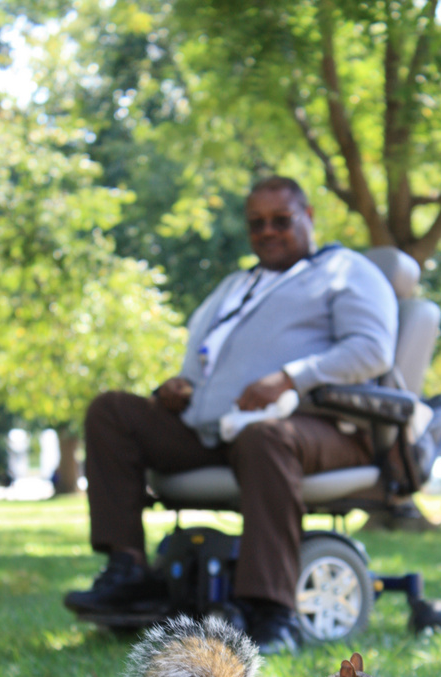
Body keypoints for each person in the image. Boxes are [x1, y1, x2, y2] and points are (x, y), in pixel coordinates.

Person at [64, 176, 398, 652]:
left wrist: (289, 377)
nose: (268, 231)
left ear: (310, 218)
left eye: (281, 220)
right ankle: (129, 572)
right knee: (112, 412)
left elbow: (372, 350)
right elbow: (201, 361)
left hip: (319, 427)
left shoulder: (347, 270)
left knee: (264, 437)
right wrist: (180, 388)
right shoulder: (236, 286)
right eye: (256, 223)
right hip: (217, 428)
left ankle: (271, 611)